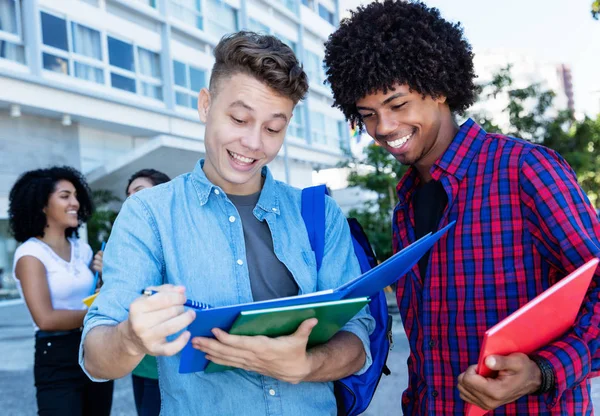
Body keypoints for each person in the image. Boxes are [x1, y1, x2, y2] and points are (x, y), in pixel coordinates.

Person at [324, 1, 600, 415]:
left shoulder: (526, 170)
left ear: (438, 87)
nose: (383, 128)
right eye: (368, 115)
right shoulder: (406, 202)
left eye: (398, 105)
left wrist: (543, 370)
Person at [79, 31, 374, 415]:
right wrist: (131, 338)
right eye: (239, 118)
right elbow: (96, 358)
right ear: (206, 105)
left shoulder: (318, 213)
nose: (253, 142)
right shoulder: (149, 214)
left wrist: (305, 365)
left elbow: (358, 336)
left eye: (273, 128)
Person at [8, 166, 114, 416]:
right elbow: (45, 318)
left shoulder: (83, 250)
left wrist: (104, 276)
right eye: (65, 196)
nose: (75, 202)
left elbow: (96, 295)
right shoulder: (30, 254)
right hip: (56, 356)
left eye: (76, 196)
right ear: (43, 205)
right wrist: (94, 313)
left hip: (94, 347)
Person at [125, 169, 171, 416]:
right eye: (128, 194)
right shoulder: (130, 244)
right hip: (139, 363)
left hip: (168, 364)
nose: (131, 200)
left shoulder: (179, 239)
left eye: (138, 192)